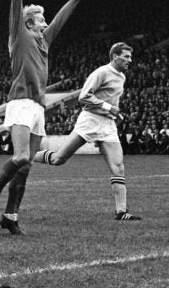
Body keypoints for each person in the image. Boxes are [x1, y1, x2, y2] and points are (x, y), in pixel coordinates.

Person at [0, 0, 86, 235]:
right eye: (41, 18)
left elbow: (61, 21)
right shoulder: (19, 34)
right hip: (21, 103)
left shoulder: (44, 41)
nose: (46, 21)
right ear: (30, 22)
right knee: (21, 158)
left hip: (38, 107)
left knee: (26, 168)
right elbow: (17, 2)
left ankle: (11, 217)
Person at [33, 42, 141, 220]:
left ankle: (121, 212)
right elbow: (84, 96)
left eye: (130, 56)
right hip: (90, 120)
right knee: (59, 159)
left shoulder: (121, 76)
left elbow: (111, 101)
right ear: (115, 56)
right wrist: (108, 107)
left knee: (118, 167)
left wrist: (116, 112)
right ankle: (28, 156)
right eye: (126, 56)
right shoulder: (101, 72)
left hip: (107, 124)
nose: (130, 60)